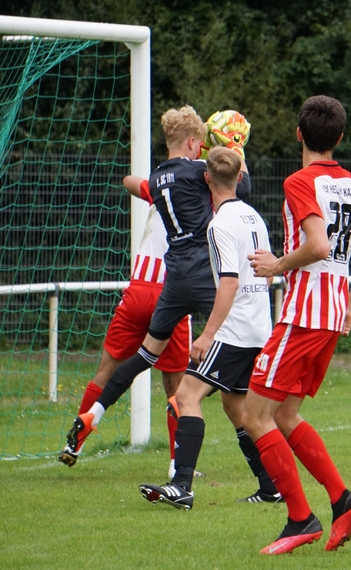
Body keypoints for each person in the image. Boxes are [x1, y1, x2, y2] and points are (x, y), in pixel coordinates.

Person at [243, 95, 351, 555]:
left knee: (254, 416)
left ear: (298, 134)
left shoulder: (299, 181)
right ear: (339, 138)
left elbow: (318, 245)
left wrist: (276, 266)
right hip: (328, 317)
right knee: (285, 415)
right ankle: (343, 500)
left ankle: (300, 519)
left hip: (303, 315)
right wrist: (350, 304)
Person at [60, 105, 251, 459]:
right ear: (194, 143)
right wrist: (232, 146)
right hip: (189, 279)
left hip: (148, 286)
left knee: (121, 365)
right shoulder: (200, 176)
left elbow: (132, 182)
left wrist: (147, 187)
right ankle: (179, 463)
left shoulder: (160, 180)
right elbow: (238, 182)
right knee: (189, 377)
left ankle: (83, 426)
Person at [139, 146, 281, 509]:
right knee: (237, 408)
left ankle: (181, 486)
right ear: (239, 177)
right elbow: (266, 276)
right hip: (258, 327)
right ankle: (271, 486)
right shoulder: (254, 217)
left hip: (233, 332)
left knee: (186, 396)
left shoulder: (218, 225)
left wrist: (207, 334)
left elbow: (229, 282)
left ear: (206, 179)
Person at [57, 199, 191, 477]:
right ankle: (176, 465)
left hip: (138, 290)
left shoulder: (160, 188)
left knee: (105, 372)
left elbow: (129, 181)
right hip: (172, 292)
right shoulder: (206, 201)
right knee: (176, 388)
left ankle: (75, 444)